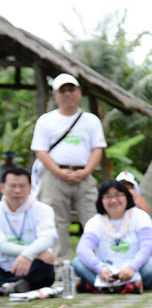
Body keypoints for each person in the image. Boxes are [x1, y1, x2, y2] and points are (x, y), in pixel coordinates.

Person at [30, 73, 107, 262]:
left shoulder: (91, 120)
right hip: (54, 177)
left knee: (92, 220)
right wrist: (59, 172)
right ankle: (59, 266)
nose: (67, 94)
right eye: (62, 91)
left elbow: (98, 149)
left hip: (85, 175)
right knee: (56, 222)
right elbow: (40, 151)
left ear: (79, 92)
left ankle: (97, 263)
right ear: (55, 95)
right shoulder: (46, 120)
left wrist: (86, 171)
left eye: (71, 89)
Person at [72, 180, 152, 294]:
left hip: (135, 267)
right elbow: (83, 249)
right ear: (101, 200)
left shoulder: (141, 216)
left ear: (127, 197)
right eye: (108, 196)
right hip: (106, 270)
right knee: (77, 263)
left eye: (118, 195)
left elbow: (147, 247)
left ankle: (100, 286)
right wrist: (100, 269)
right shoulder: (95, 221)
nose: (113, 200)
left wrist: (132, 268)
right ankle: (127, 287)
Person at [0, 167, 57, 296]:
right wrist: (33, 253)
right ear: (2, 187)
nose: (17, 190)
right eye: (13, 186)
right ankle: (13, 286)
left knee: (45, 267)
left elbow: (47, 238)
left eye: (22, 186)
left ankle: (7, 287)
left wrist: (28, 256)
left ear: (30, 188)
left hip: (31, 266)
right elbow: (2, 246)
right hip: (3, 265)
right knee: (44, 255)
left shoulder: (43, 209)